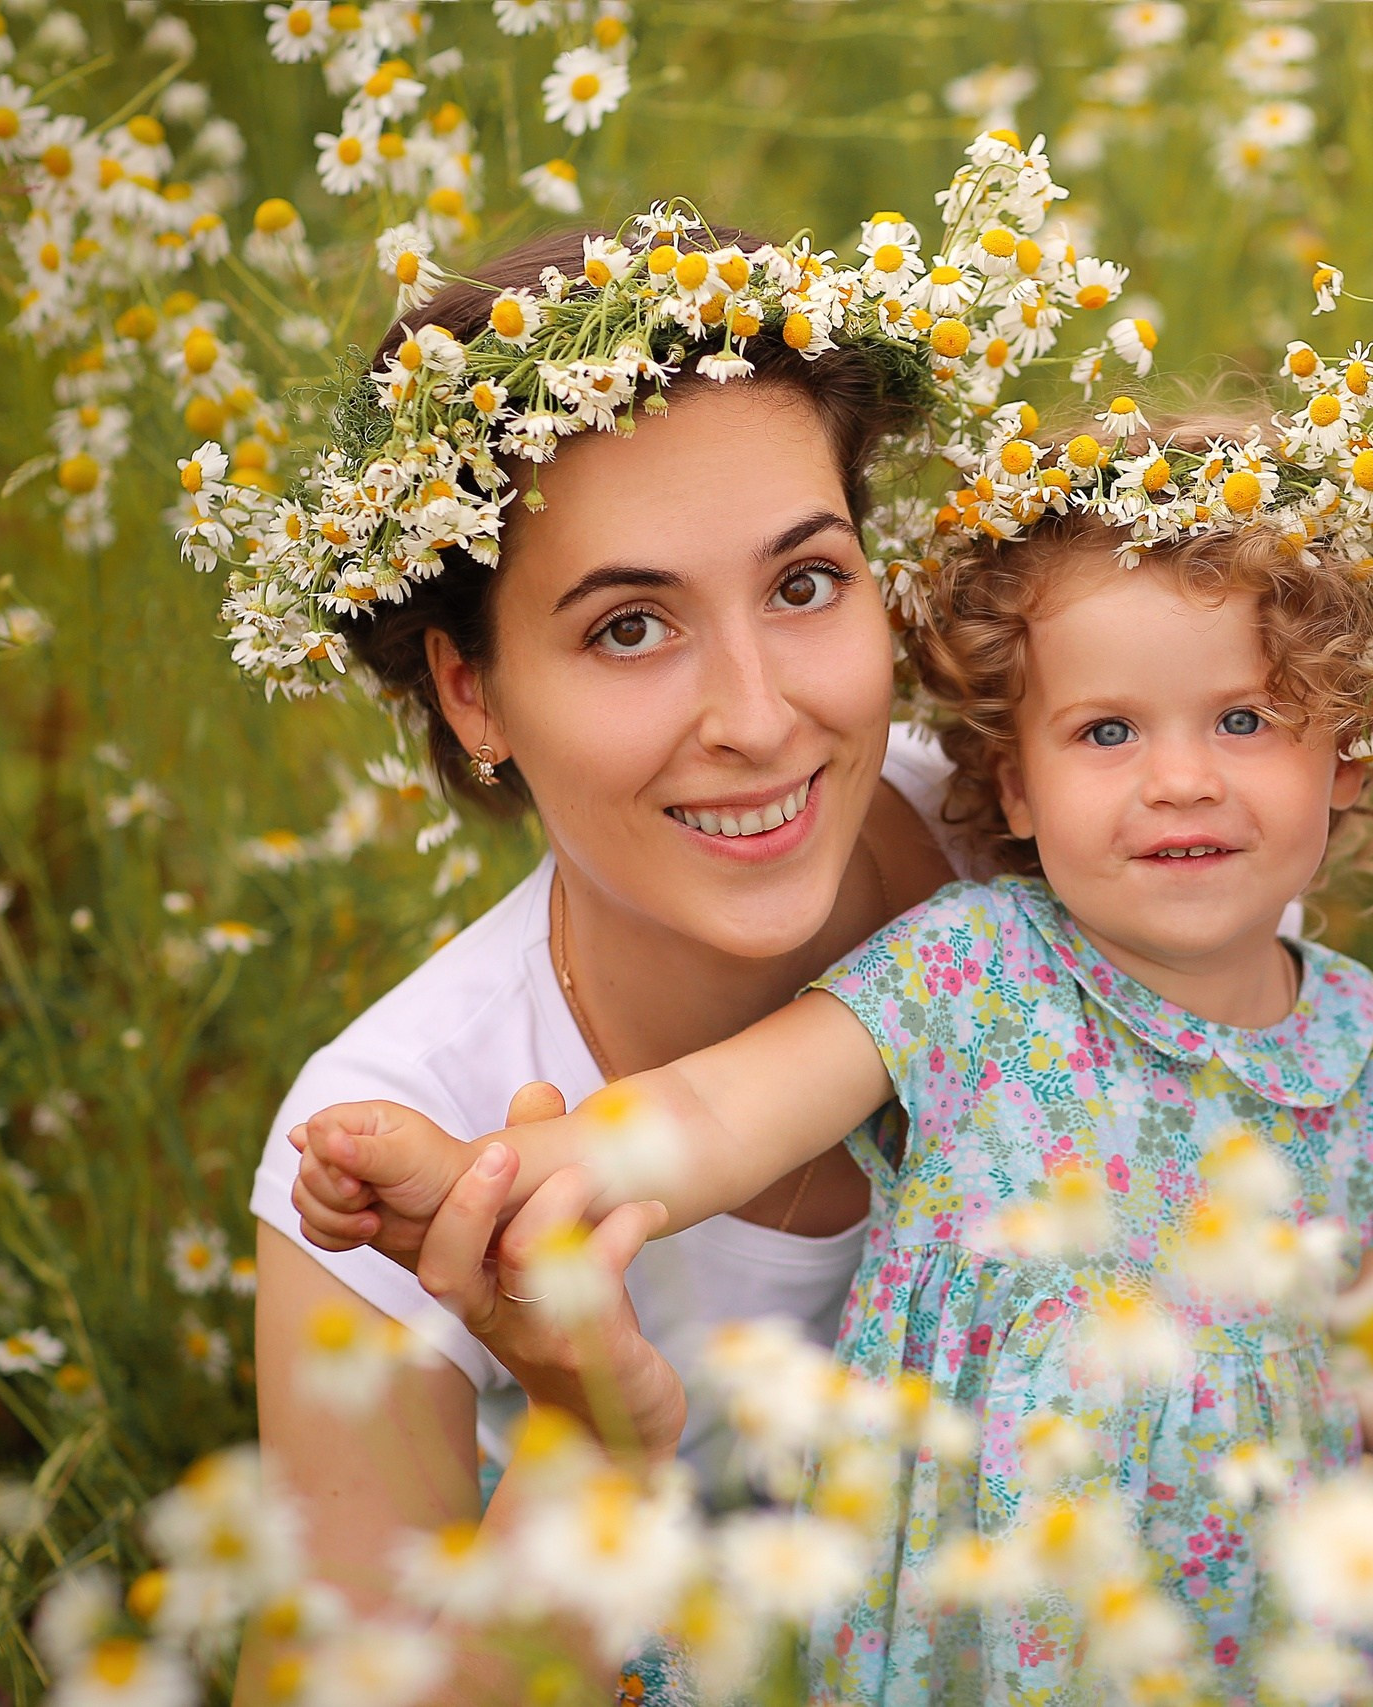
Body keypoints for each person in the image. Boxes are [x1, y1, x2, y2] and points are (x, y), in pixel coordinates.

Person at [291, 469, 1373, 1702]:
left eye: (1245, 720)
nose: (1180, 781)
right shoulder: (977, 965)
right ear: (1010, 788)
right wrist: (510, 1176)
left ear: (1344, 758)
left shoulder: (1366, 1053)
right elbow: (714, 1113)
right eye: (1108, 736)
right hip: (951, 1634)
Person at [241, 224, 967, 1694]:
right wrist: (593, 1442)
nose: (756, 718)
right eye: (631, 627)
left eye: (807, 585)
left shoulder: (1078, 826)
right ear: (472, 692)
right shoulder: (405, 1127)